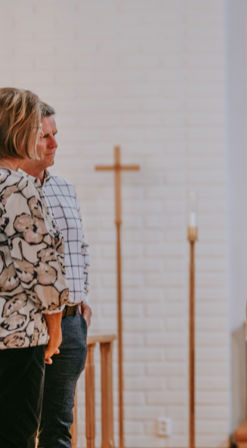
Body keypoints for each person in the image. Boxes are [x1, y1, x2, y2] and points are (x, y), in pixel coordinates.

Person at [0, 87, 69, 448]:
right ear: (19, 131)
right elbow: (40, 264)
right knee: (18, 436)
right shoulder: (19, 186)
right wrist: (55, 327)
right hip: (17, 336)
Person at [21, 102, 91, 448]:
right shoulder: (11, 191)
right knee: (20, 427)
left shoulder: (64, 188)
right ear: (20, 138)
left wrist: (81, 301)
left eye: (55, 134)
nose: (54, 144)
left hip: (71, 323)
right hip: (28, 328)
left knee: (59, 428)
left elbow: (79, 248)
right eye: (44, 136)